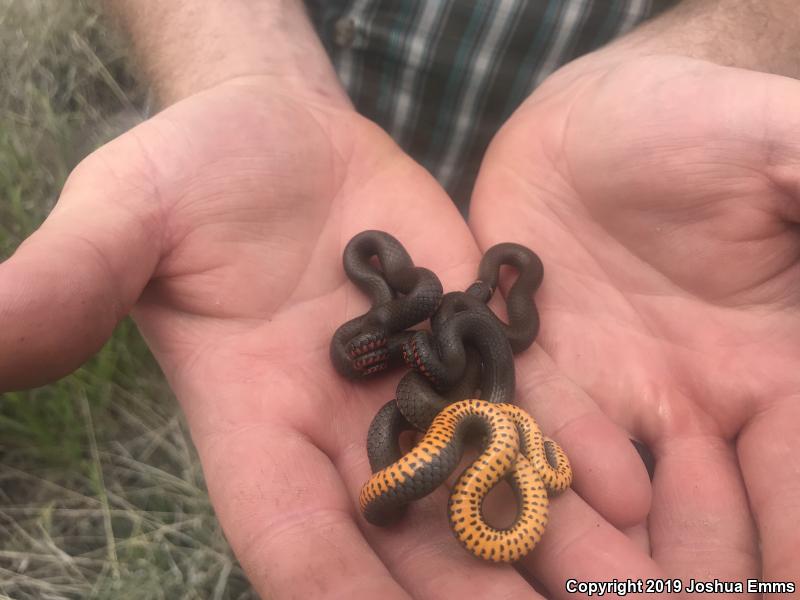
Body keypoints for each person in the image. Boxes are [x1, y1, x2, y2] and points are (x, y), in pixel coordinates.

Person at [2, 0, 798, 597]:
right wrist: (247, 74)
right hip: (322, 145)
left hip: (578, 223)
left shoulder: (463, 348)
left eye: (484, 297)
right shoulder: (418, 334)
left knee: (650, 509)